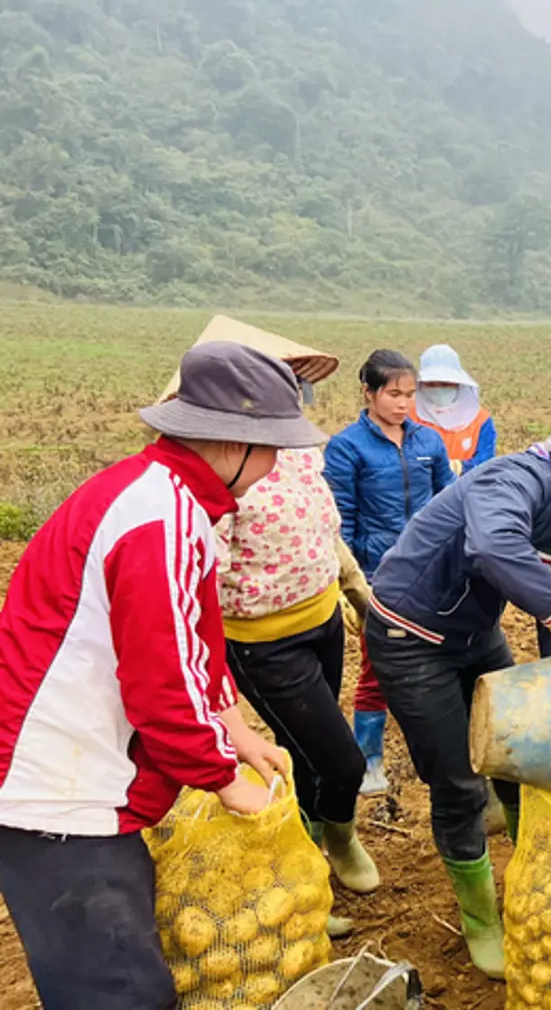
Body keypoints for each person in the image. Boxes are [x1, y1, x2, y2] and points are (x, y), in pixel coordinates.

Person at [0, 342, 315, 1009]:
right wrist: (226, 780)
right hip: (56, 792)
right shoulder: (157, 519)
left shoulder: (169, 502)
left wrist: (234, 730)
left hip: (79, 771)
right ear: (232, 444)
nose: (276, 466)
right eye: (272, 449)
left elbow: (194, 640)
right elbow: (163, 685)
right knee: (118, 991)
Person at [363, 405, 551, 979]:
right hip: (410, 633)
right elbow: (494, 547)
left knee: (521, 752)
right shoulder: (514, 479)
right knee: (457, 780)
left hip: (474, 630)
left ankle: (531, 872)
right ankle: (481, 921)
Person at [199, 328, 380, 928]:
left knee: (307, 754)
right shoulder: (218, 469)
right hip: (263, 644)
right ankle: (322, 850)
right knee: (341, 761)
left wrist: (356, 593)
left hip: (320, 619)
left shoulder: (300, 449)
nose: (294, 393)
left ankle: (315, 855)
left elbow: (326, 529)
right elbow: (199, 576)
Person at [324, 350, 454, 794]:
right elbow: (342, 519)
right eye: (394, 394)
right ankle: (369, 758)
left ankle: (437, 751)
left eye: (410, 395)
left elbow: (449, 503)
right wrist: (353, 583)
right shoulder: (347, 447)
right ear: (369, 392)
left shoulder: (428, 443)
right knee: (376, 668)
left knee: (440, 660)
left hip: (430, 572)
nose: (403, 404)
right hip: (377, 576)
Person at [411, 343, 497, 476]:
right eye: (432, 384)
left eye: (445, 384)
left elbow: (486, 461)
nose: (438, 389)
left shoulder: (480, 420)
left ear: (458, 385)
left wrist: (460, 467)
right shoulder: (408, 416)